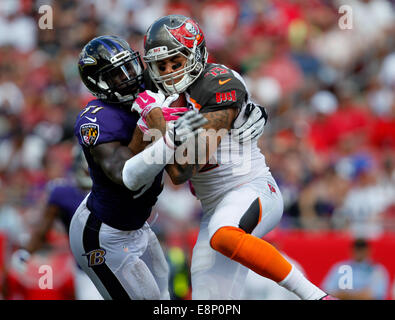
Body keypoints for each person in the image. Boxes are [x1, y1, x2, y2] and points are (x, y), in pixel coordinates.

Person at [138, 14, 335, 300]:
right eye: (161, 65)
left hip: (252, 188)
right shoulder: (154, 93)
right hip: (213, 209)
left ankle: (318, 296)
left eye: (176, 63)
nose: (169, 72)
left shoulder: (216, 83)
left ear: (195, 55)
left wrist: (158, 122)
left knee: (225, 234)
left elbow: (181, 171)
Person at [68, 35, 209, 300]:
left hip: (137, 225)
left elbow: (194, 72)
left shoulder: (147, 84)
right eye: (116, 75)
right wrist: (159, 132)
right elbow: (125, 174)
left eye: (130, 67)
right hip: (104, 234)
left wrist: (237, 105)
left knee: (163, 299)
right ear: (98, 84)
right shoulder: (97, 119)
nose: (129, 77)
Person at [10, 148, 102, 300]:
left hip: (123, 264)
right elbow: (43, 230)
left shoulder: (116, 190)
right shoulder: (63, 193)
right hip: (87, 271)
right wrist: (25, 253)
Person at [322, 238, 390, 300]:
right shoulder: (339, 267)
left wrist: (345, 295)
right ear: (351, 250)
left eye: (361, 249)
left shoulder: (377, 270)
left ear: (369, 250)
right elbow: (326, 291)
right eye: (357, 249)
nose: (359, 252)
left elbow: (376, 295)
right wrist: (359, 295)